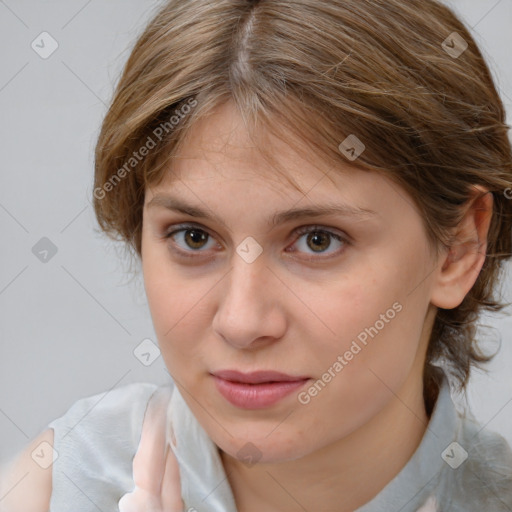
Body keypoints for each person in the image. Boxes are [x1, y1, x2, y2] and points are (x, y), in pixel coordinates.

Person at [1, 0, 512, 510]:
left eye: (317, 240)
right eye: (193, 237)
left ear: (458, 249)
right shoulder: (54, 488)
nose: (242, 323)